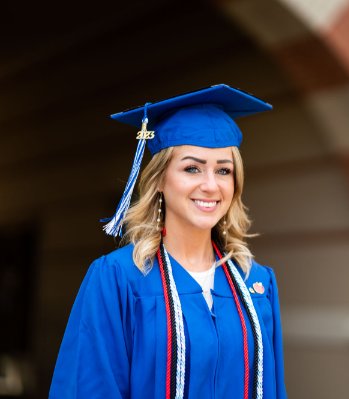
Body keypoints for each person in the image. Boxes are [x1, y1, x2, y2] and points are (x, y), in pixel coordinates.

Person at [49, 84, 287, 399]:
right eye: (192, 168)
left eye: (224, 170)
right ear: (160, 179)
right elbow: (89, 388)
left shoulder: (255, 282)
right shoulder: (119, 278)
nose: (211, 185)